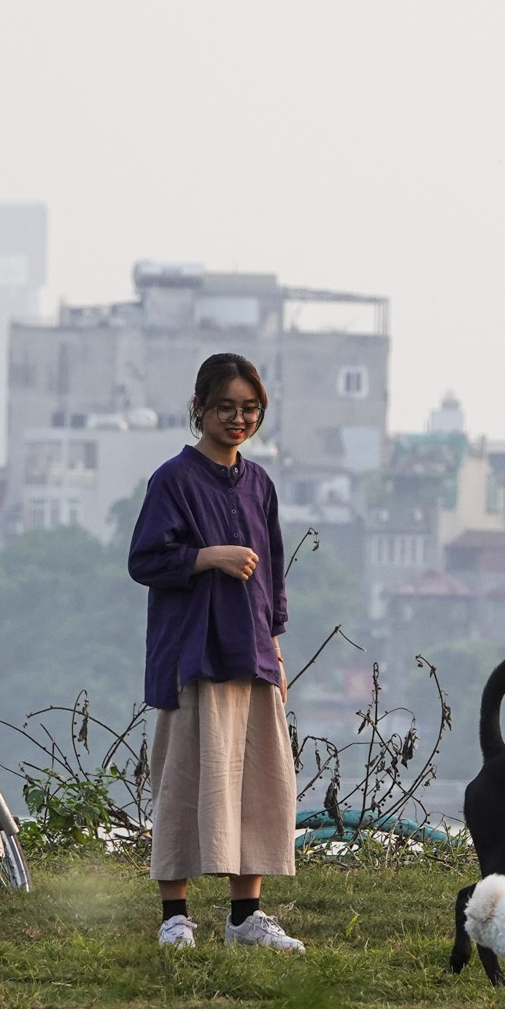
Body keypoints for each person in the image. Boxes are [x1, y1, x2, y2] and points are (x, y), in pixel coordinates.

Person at [127, 352, 305, 952]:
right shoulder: (173, 480)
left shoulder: (259, 484)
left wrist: (275, 645)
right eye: (225, 407)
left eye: (249, 409)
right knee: (183, 781)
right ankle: (174, 916)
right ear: (198, 408)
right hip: (193, 653)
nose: (237, 418)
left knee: (256, 780)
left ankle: (244, 917)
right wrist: (211, 556)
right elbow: (145, 561)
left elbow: (274, 573)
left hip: (251, 651)